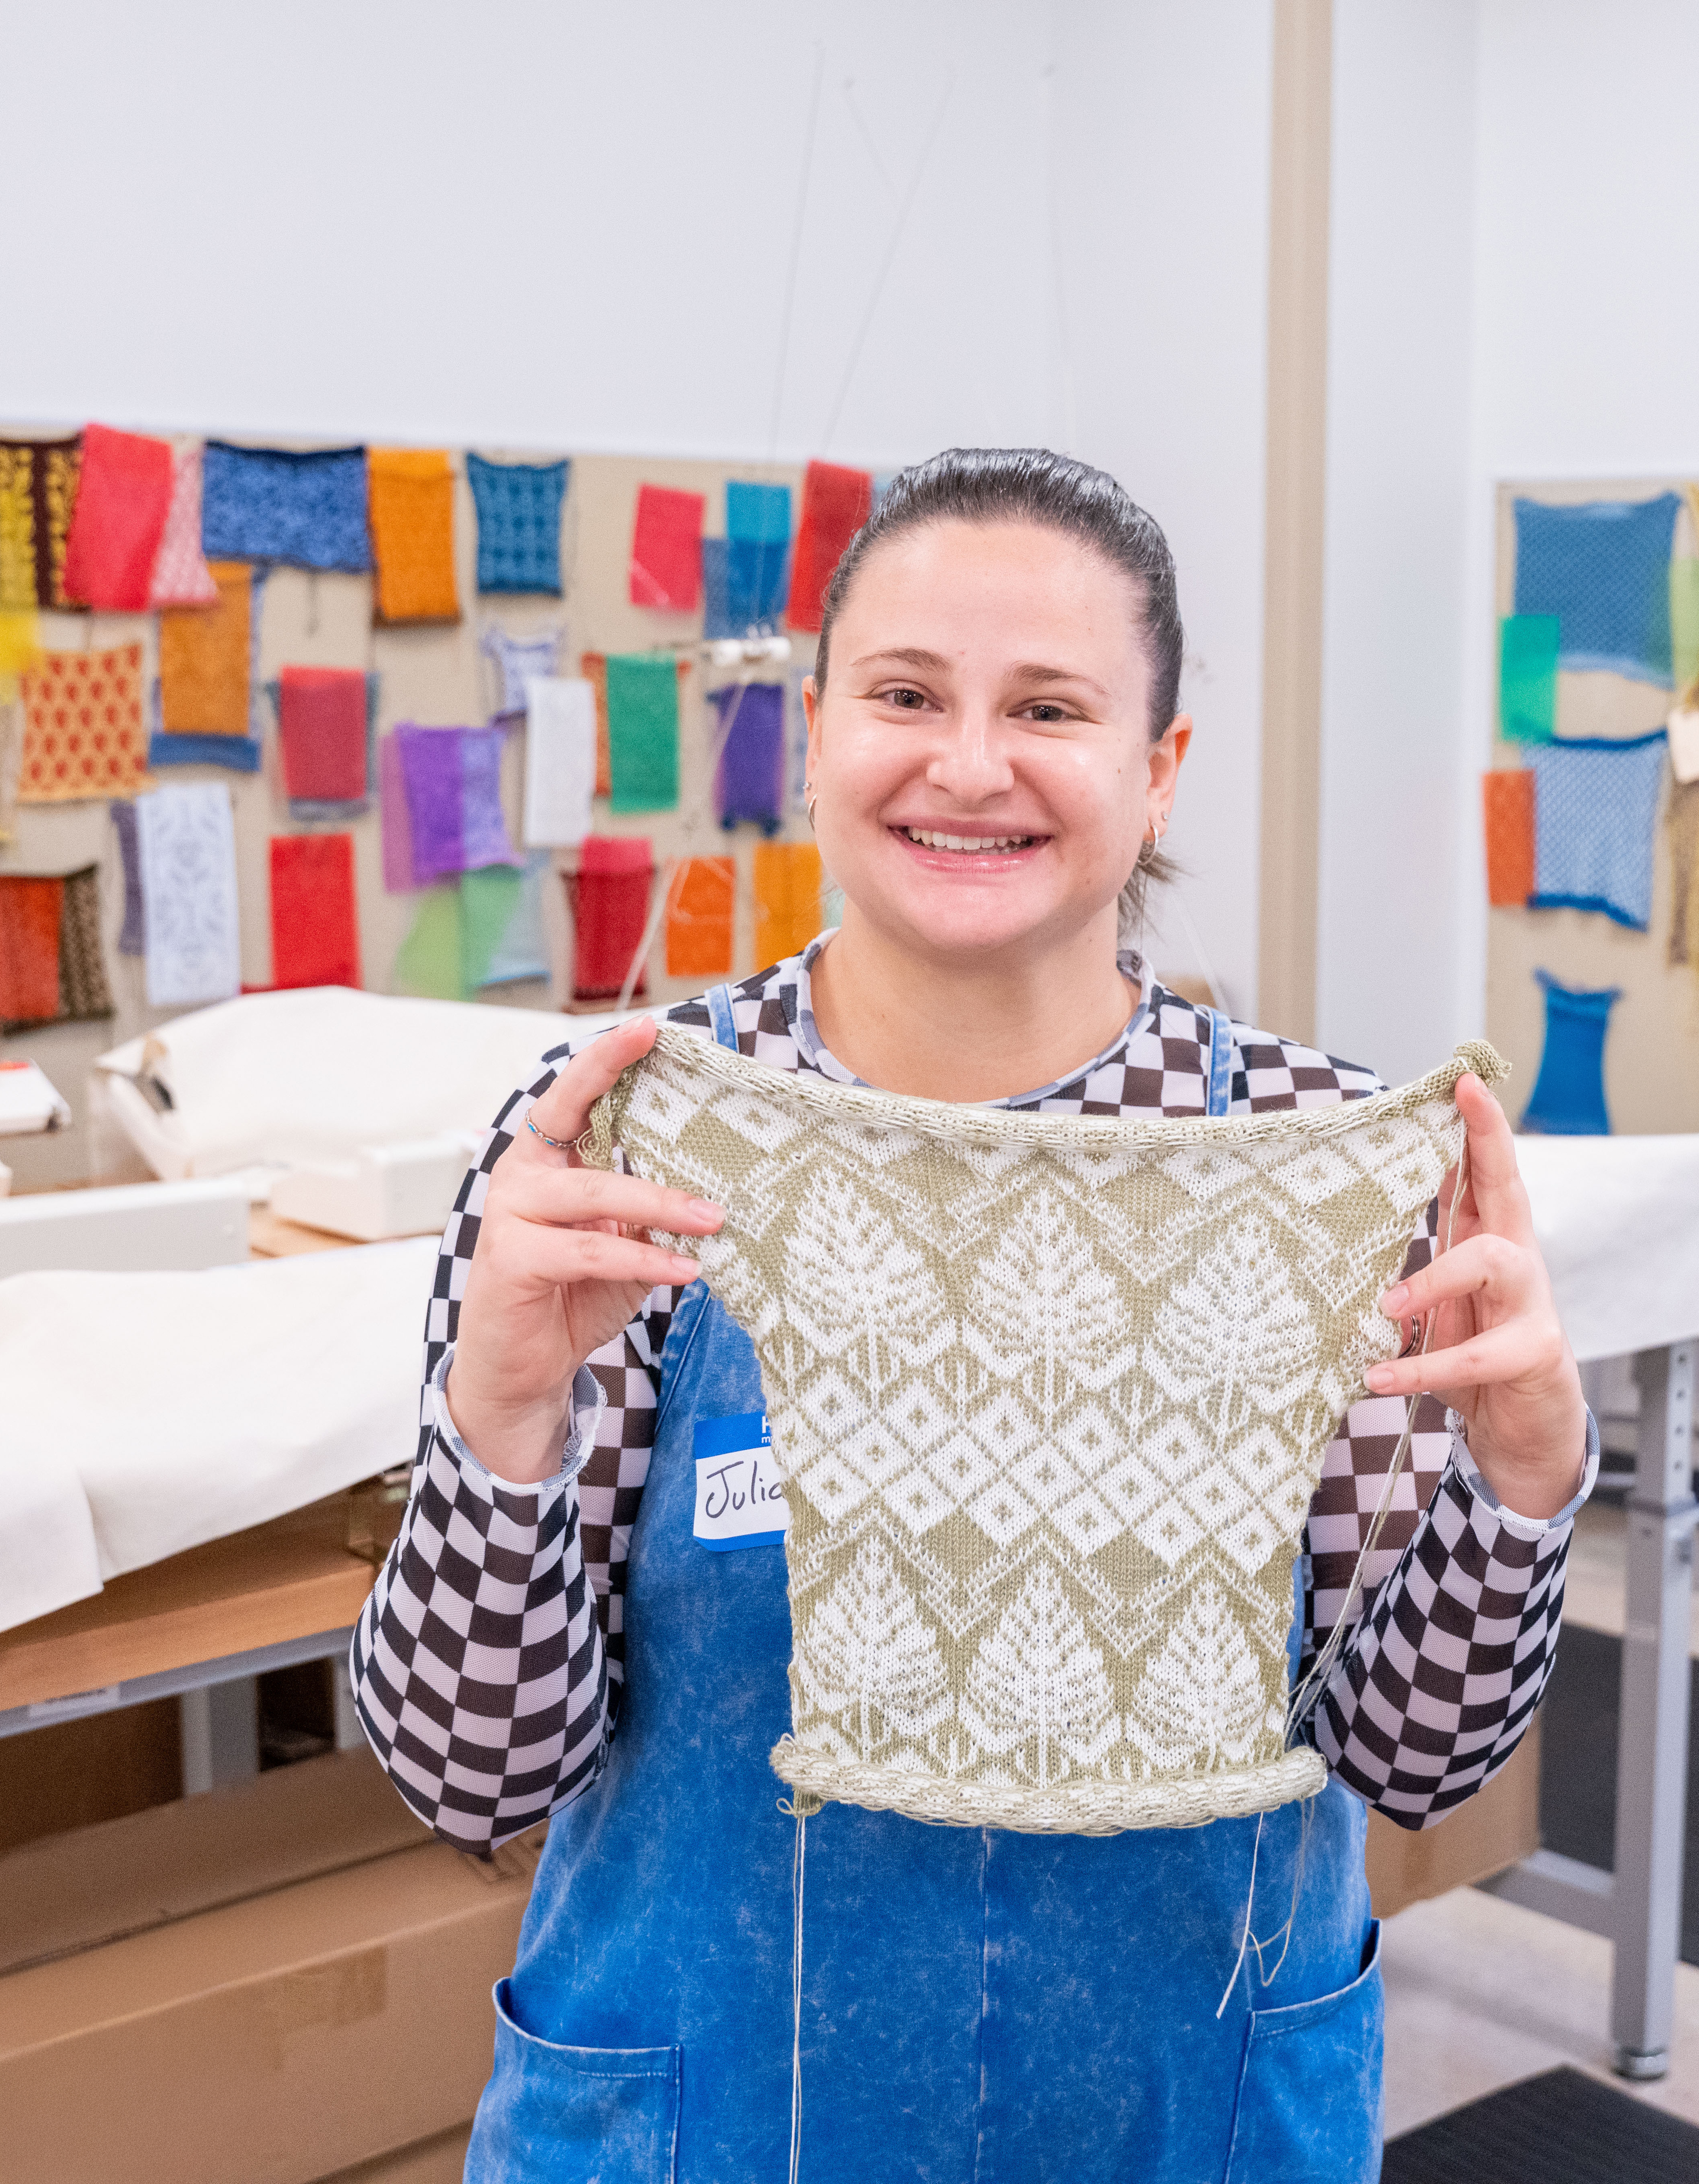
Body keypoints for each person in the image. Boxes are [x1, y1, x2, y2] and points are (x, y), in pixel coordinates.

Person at [353, 448, 1596, 2184]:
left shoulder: (1323, 1177)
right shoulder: (629, 1137)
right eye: (907, 693)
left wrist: (1524, 1480)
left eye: (1050, 707)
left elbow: (1412, 1755)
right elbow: (470, 1783)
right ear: (813, 735)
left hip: (1182, 2119)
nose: (968, 763)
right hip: (712, 2127)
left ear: (1157, 775)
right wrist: (494, 1430)